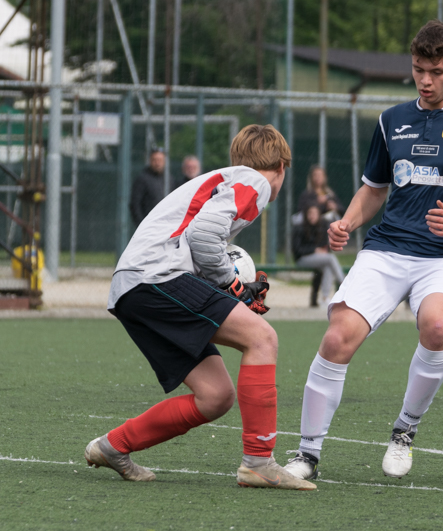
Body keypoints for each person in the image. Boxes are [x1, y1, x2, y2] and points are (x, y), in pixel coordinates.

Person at [282, 20, 443, 482]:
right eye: (419, 69)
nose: (426, 80)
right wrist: (347, 222)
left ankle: (404, 431)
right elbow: (373, 190)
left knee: (438, 327)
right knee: (337, 337)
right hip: (386, 249)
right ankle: (306, 454)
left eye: (436, 72)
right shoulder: (390, 120)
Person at [84, 125, 316, 491]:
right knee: (262, 338)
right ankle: (259, 462)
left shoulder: (224, 179)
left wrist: (228, 287)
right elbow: (204, 237)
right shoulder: (255, 181)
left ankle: (113, 447)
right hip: (155, 277)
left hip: (133, 286)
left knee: (215, 396)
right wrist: (234, 286)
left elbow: (195, 243)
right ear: (282, 167)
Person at [292, 204, 346, 307]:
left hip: (318, 260)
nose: (312, 216)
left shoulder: (321, 227)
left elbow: (325, 247)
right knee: (330, 258)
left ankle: (324, 298)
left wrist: (323, 250)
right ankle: (343, 282)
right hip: (302, 259)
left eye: (315, 213)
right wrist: (314, 250)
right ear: (306, 215)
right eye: (310, 213)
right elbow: (297, 250)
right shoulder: (300, 227)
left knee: (327, 267)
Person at [129, 148, 167, 226]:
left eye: (160, 160)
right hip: (149, 225)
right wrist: (141, 224)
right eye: (154, 160)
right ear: (150, 161)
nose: (157, 163)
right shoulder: (142, 179)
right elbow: (135, 204)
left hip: (165, 224)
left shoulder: (168, 179)